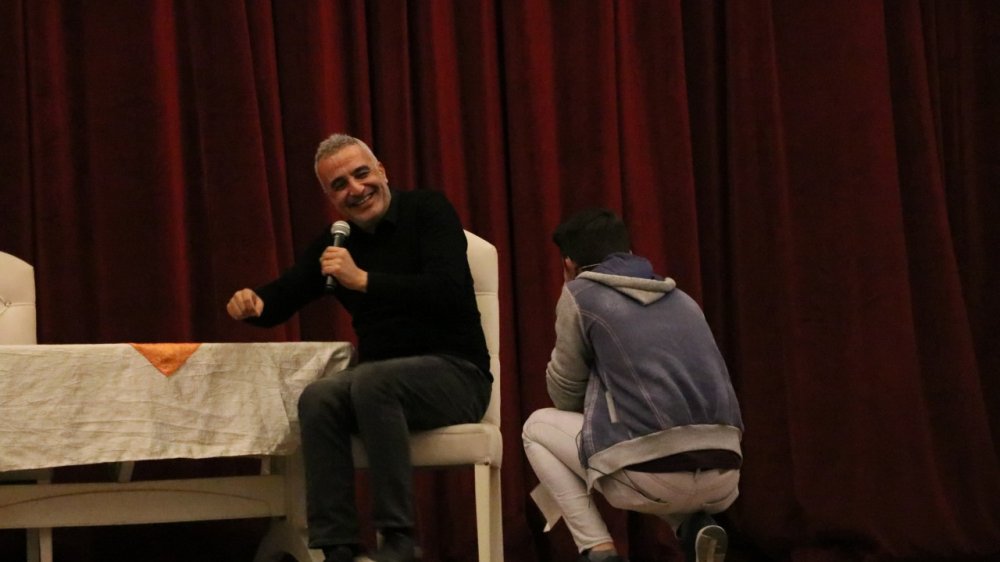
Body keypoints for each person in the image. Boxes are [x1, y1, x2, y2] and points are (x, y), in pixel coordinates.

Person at [226, 133, 492, 562]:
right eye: (340, 185)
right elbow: (287, 292)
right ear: (331, 199)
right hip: (381, 384)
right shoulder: (338, 242)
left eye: (361, 174)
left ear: (381, 171)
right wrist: (254, 304)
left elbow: (446, 290)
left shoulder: (428, 210)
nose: (356, 188)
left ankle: (398, 540)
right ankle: (337, 546)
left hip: (457, 375)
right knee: (319, 397)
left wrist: (363, 280)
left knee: (370, 381)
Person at [522, 208, 744, 562]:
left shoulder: (580, 294)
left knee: (535, 429)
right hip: (725, 474)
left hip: (651, 477)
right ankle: (692, 526)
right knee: (661, 444)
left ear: (568, 264)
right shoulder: (684, 300)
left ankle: (599, 551)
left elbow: (564, 395)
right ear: (628, 253)